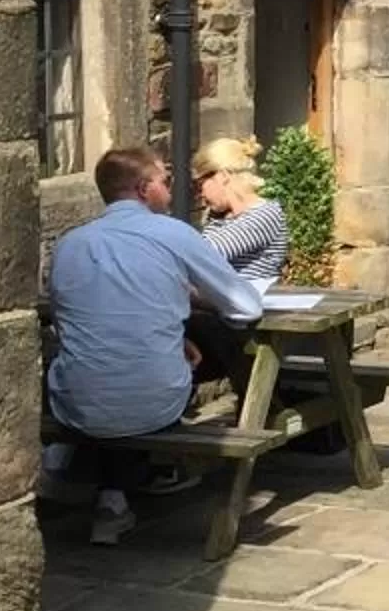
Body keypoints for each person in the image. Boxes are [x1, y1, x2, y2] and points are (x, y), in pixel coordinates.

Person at [45, 146, 266, 545]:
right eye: (166, 180)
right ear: (144, 188)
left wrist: (174, 332)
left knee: (101, 369)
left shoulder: (70, 244)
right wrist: (194, 304)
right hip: (153, 400)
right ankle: (147, 478)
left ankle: (93, 488)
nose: (172, 188)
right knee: (213, 345)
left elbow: (74, 322)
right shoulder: (173, 234)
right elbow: (246, 305)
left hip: (76, 399)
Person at [194, 135, 291, 286]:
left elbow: (202, 255)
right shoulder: (220, 216)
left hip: (251, 306)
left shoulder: (264, 215)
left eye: (200, 184)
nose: (200, 194)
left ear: (222, 176)